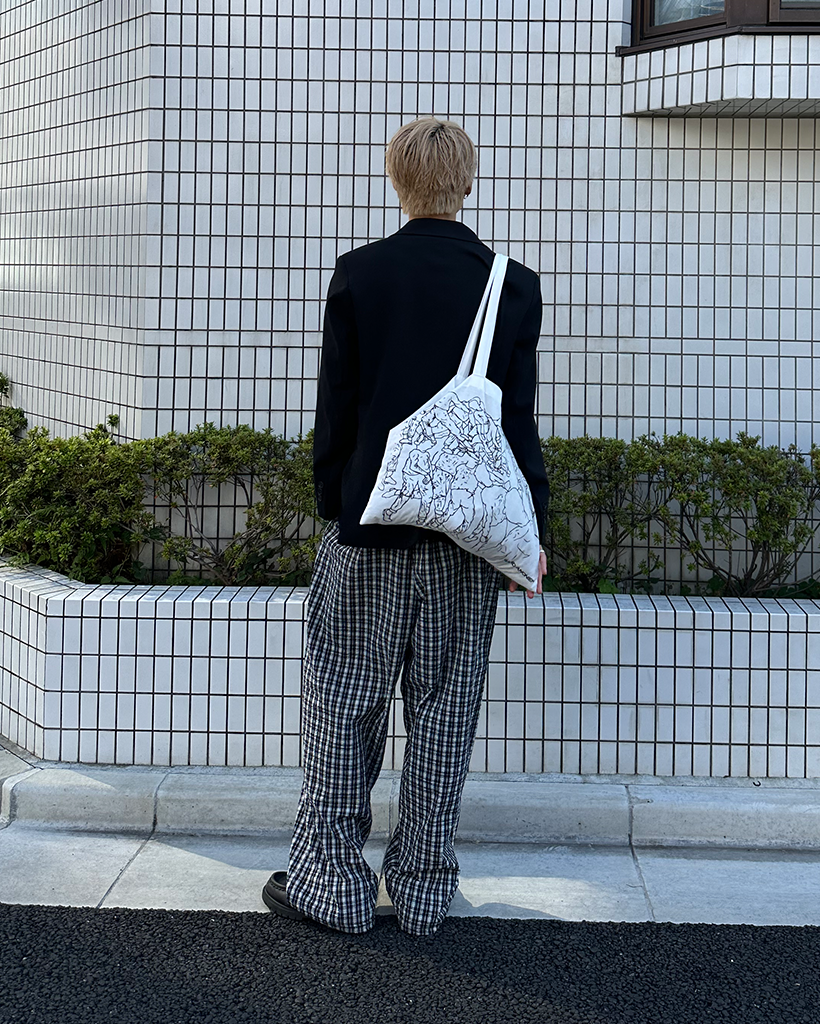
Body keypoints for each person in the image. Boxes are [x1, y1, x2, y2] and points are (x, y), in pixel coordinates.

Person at [262, 117, 549, 937]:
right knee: (445, 713)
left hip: (370, 531)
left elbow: (338, 407)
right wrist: (528, 531)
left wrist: (337, 503)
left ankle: (332, 886)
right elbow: (516, 421)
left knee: (344, 704)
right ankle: (422, 891)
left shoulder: (361, 273)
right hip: (467, 542)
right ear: (468, 181)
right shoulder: (512, 283)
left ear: (397, 180)